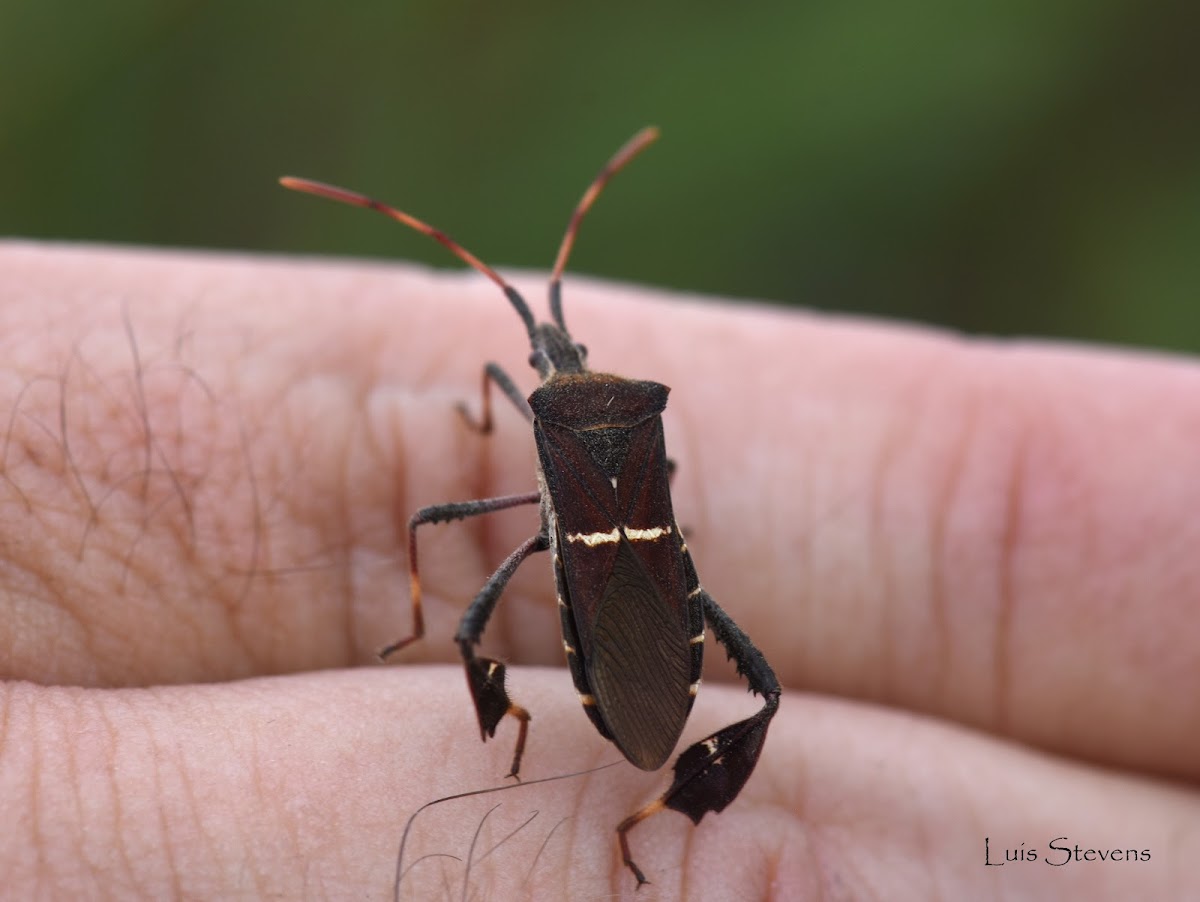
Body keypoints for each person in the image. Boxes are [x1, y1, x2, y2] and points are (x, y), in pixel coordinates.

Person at [1, 242, 1196, 899]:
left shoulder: (562, 423)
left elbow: (464, 474)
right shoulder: (617, 418)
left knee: (462, 610)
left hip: (579, 560)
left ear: (547, 393)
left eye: (539, 350)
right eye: (541, 346)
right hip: (649, 585)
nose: (548, 344)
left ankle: (583, 770)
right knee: (761, 691)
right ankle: (617, 782)